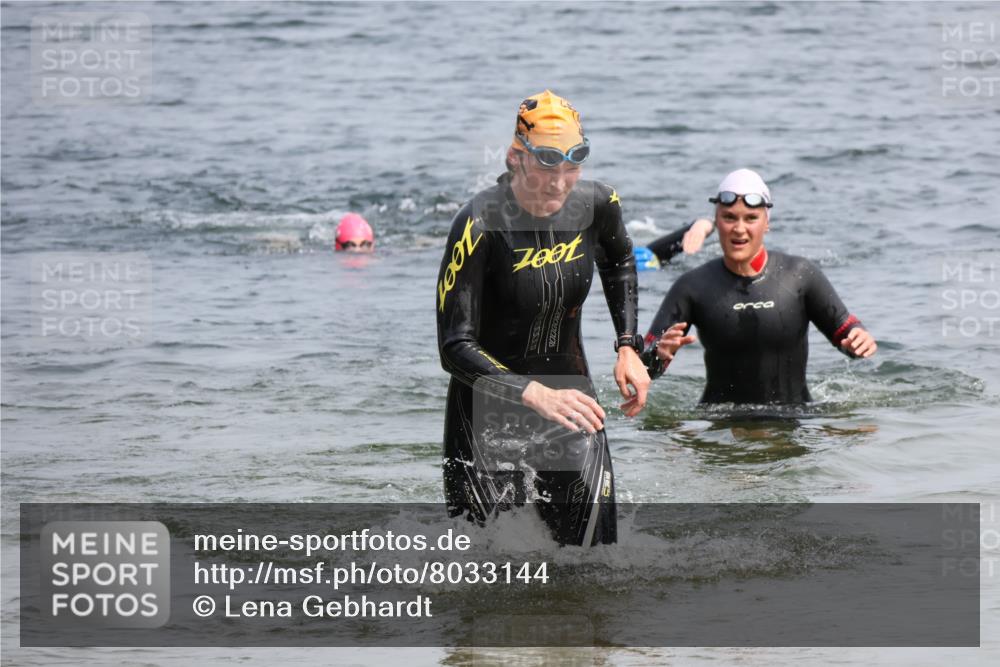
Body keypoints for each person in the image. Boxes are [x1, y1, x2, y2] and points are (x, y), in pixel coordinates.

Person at [435, 90, 650, 546]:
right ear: (516, 158)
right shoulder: (477, 223)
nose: (559, 184)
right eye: (547, 168)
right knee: (487, 582)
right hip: (484, 417)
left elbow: (620, 261)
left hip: (571, 407)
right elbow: (454, 347)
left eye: (572, 168)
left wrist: (628, 345)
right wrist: (532, 392)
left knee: (598, 568)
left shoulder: (598, 205)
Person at [642, 168, 877, 404]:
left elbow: (846, 332)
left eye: (751, 218)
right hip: (721, 428)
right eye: (730, 217)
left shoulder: (800, 275)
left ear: (766, 223)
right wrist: (658, 355)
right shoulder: (692, 286)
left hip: (792, 422)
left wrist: (857, 341)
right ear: (718, 222)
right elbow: (643, 367)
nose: (739, 228)